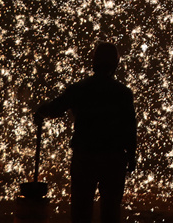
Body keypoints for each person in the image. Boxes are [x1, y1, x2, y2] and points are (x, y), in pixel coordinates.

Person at [35, 42, 137, 223]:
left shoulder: (80, 89)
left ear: (94, 62)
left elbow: (56, 108)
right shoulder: (123, 93)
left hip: (85, 156)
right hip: (113, 158)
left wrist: (42, 111)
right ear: (116, 63)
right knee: (111, 211)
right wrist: (131, 156)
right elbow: (129, 127)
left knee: (81, 211)